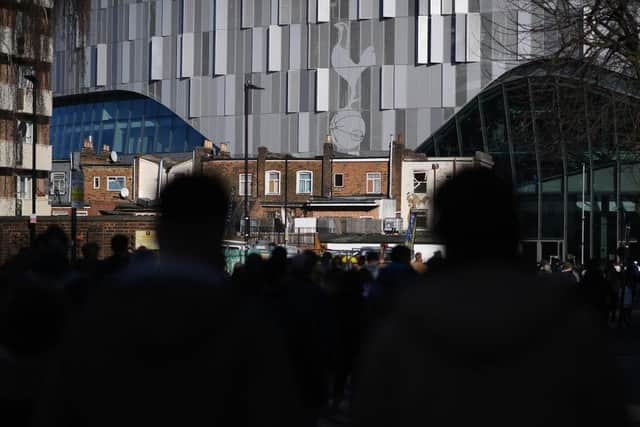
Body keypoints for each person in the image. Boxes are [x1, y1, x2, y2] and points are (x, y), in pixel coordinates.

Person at [352, 168, 627, 427]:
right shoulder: (571, 326)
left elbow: (372, 412)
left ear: (442, 230)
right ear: (516, 228)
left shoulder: (401, 328)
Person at [32, 174, 302, 427]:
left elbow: (60, 399)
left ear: (159, 229)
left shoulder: (105, 307)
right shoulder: (251, 320)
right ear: (220, 229)